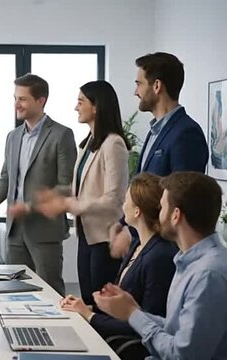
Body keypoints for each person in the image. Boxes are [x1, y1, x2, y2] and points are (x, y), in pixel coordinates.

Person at [94, 172, 227, 360]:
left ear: (175, 216)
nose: (158, 212)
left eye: (162, 207)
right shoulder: (189, 262)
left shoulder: (207, 275)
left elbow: (182, 355)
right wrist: (133, 310)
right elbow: (174, 329)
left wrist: (132, 314)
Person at [35, 80, 130, 304]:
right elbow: (82, 186)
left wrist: (72, 205)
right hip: (86, 236)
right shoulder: (88, 143)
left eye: (81, 102)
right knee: (87, 299)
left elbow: (114, 198)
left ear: (96, 106)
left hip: (104, 238)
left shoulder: (113, 144)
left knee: (100, 302)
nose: (76, 107)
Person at [109, 52, 209, 259]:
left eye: (139, 83)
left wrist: (133, 231)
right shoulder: (155, 131)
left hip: (164, 250)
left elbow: (180, 199)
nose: (135, 91)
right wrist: (124, 224)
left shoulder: (186, 133)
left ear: (156, 86)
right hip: (144, 243)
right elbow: (141, 188)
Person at [0, 74, 77, 295]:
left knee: (50, 290)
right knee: (14, 290)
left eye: (23, 99)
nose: (17, 104)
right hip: (15, 229)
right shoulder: (13, 136)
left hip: (45, 228)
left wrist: (29, 206)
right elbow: (7, 177)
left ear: (41, 100)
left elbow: (67, 186)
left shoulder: (61, 135)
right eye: (15, 98)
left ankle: (56, 331)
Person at [60, 173, 177, 344]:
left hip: (128, 345)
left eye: (126, 201)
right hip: (113, 333)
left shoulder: (160, 256)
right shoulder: (137, 245)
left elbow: (147, 322)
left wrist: (90, 316)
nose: (122, 207)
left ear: (137, 211)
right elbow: (120, 307)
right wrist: (86, 307)